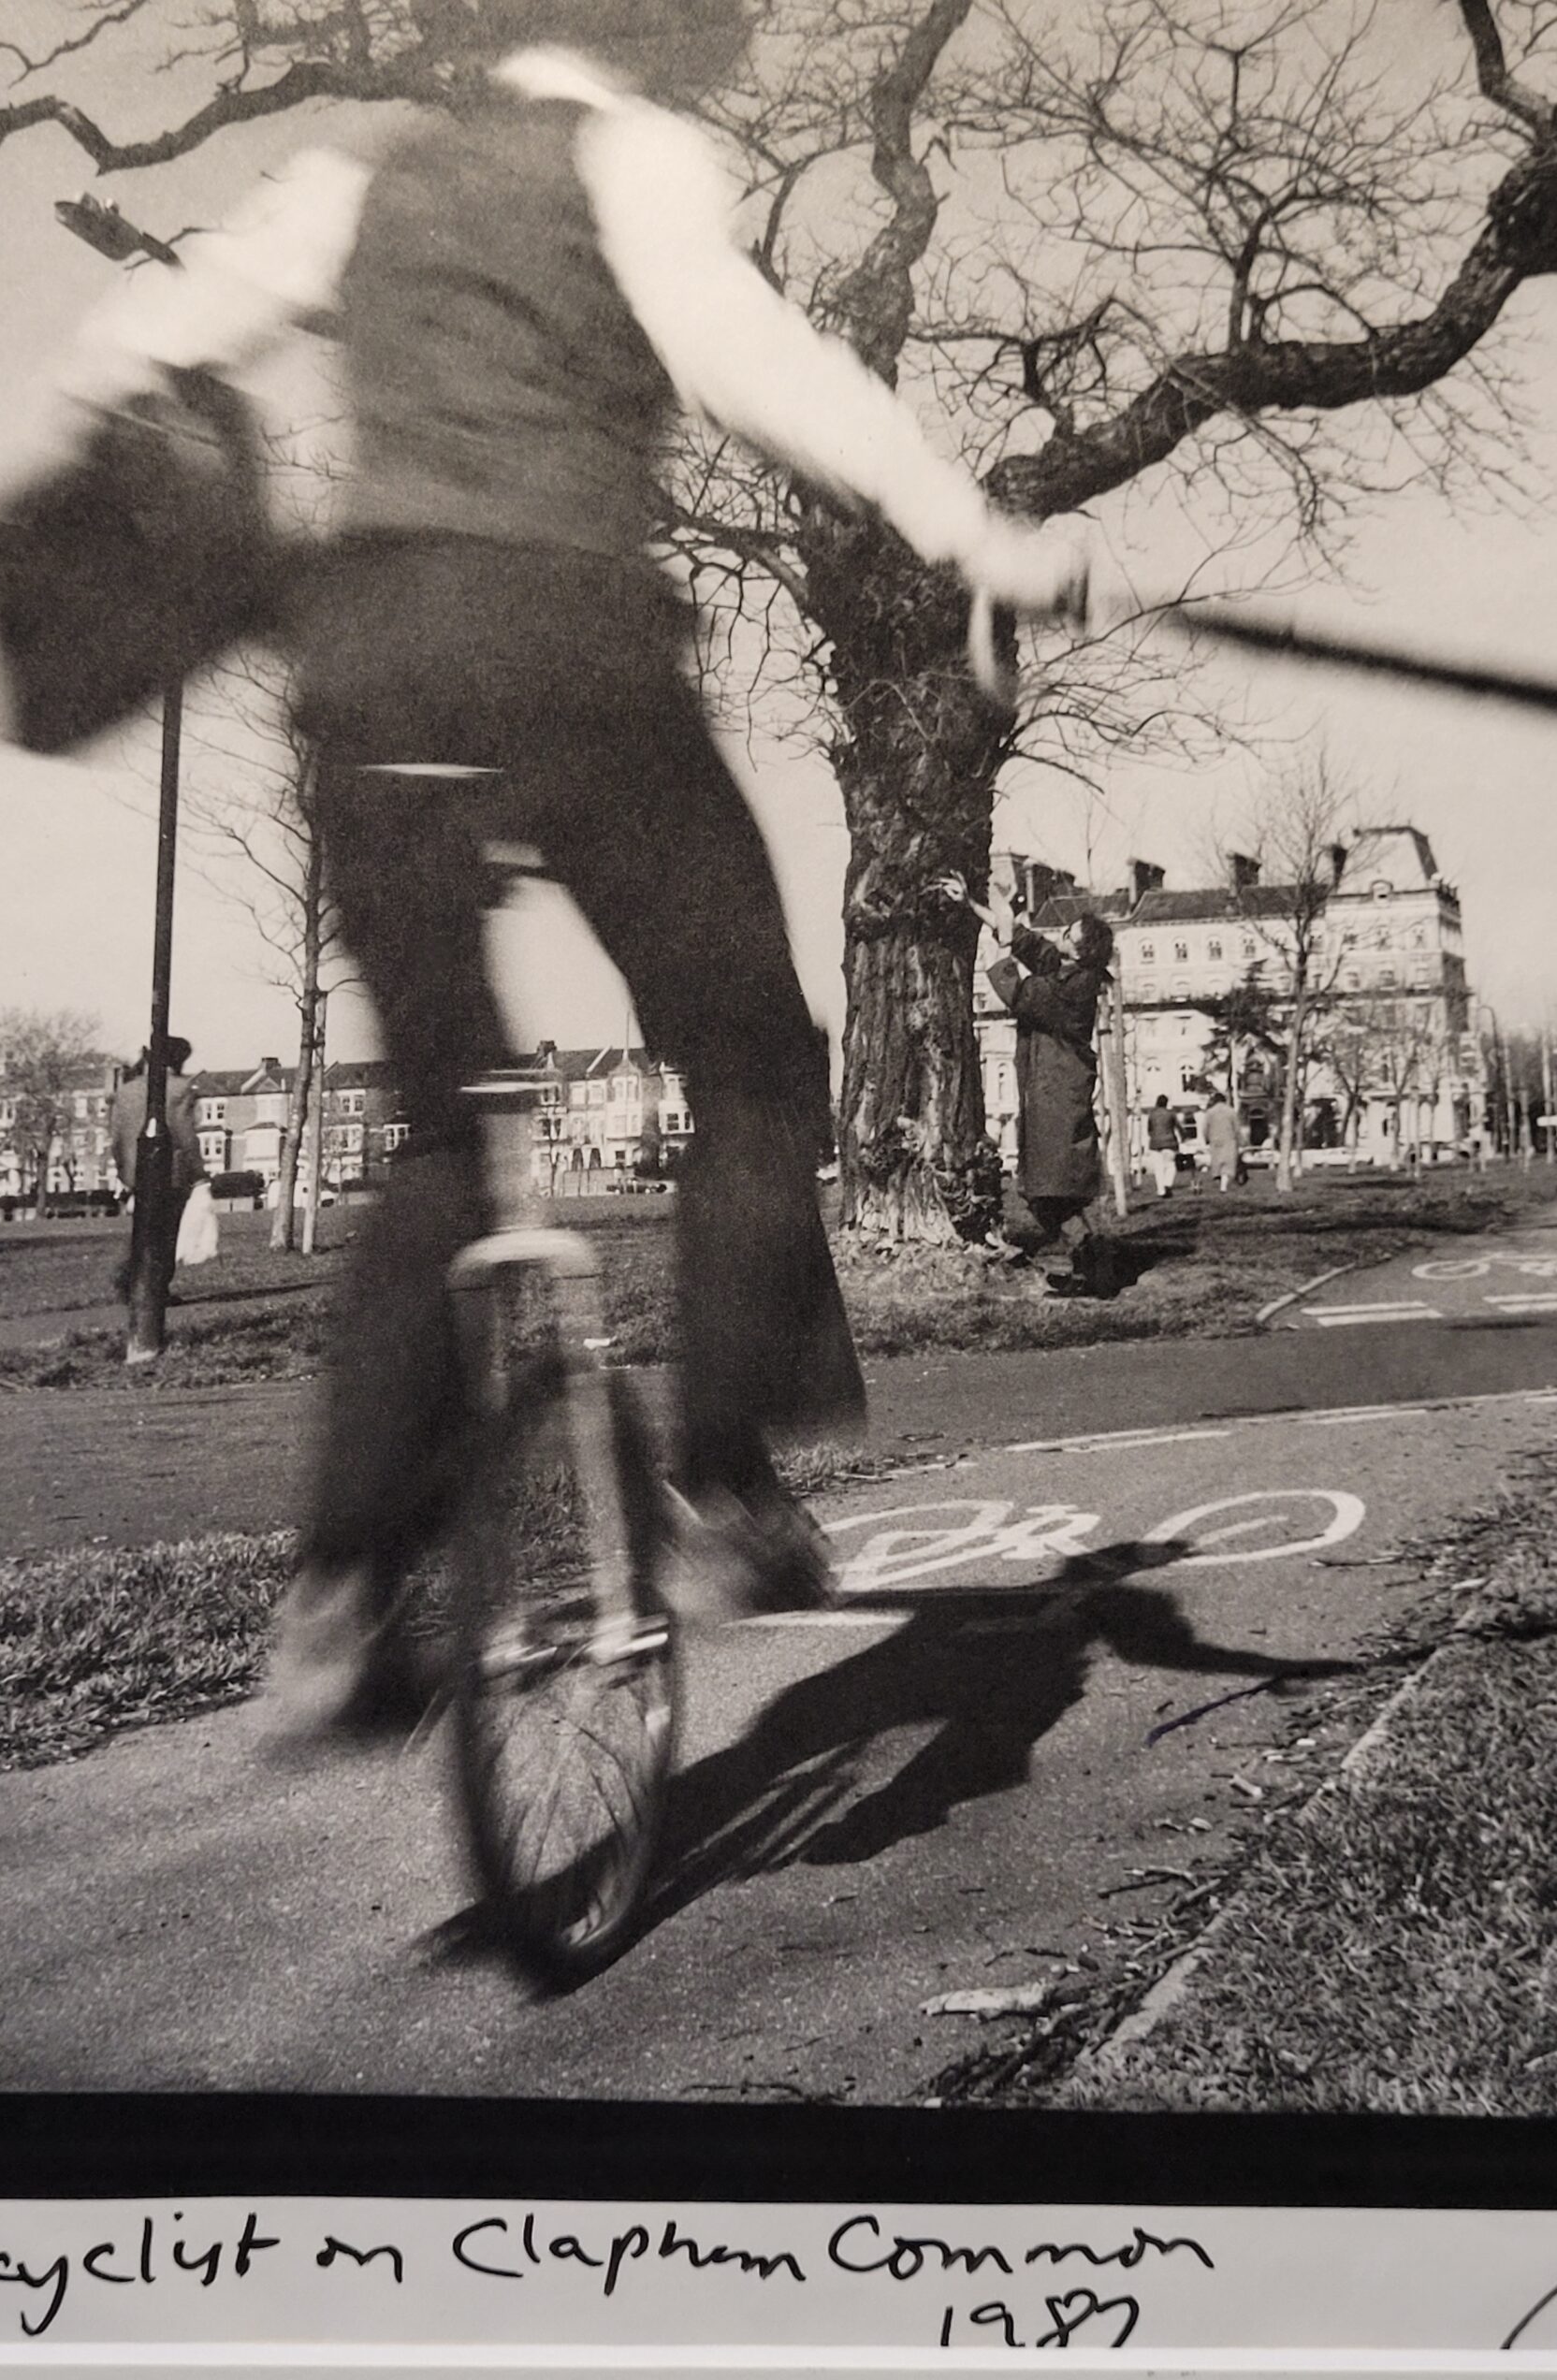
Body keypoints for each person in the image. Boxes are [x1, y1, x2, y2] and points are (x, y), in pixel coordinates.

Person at [67, 0, 1093, 1739]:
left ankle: (340, 1591)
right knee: (752, 1057)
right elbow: (756, 360)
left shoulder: (362, 173)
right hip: (574, 652)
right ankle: (722, 1489)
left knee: (443, 1127)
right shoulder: (632, 157)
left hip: (370, 668)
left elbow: (147, 336)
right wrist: (969, 530)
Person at [944, 873, 1116, 1293]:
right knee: (1050, 1189)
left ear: (1082, 950)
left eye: (1069, 934)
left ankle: (1092, 1267)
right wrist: (973, 904)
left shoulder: (1075, 987)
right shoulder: (1070, 970)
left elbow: (1019, 993)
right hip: (1050, 1091)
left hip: (1059, 1094)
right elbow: (1024, 939)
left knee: (1048, 1190)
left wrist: (1000, 952)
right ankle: (1092, 1264)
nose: (1061, 934)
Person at [109, 1035, 207, 1299]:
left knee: (143, 1227)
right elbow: (185, 1135)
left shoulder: (125, 1091)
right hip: (169, 1170)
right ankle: (155, 1288)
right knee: (167, 1232)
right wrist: (198, 1172)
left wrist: (124, 1171)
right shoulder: (181, 1089)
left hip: (135, 1171)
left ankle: (133, 1280)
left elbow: (116, 1137)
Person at [1202, 1089, 1241, 1193]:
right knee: (1227, 1164)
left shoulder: (1210, 1112)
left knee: (1217, 1163)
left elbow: (1205, 1128)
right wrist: (1239, 1140)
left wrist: (1206, 1139)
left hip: (1215, 1140)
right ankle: (1223, 1186)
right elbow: (1237, 1128)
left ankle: (1220, 1182)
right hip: (1229, 1140)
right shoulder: (1231, 1111)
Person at [1144, 1092, 1180, 1197]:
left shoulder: (1152, 1114)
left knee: (1158, 1167)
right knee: (1170, 1165)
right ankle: (1167, 1184)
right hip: (1170, 1143)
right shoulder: (1171, 1114)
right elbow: (1178, 1126)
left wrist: (1153, 1136)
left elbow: (1149, 1129)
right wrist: (1184, 1136)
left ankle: (1161, 1190)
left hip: (1155, 1144)